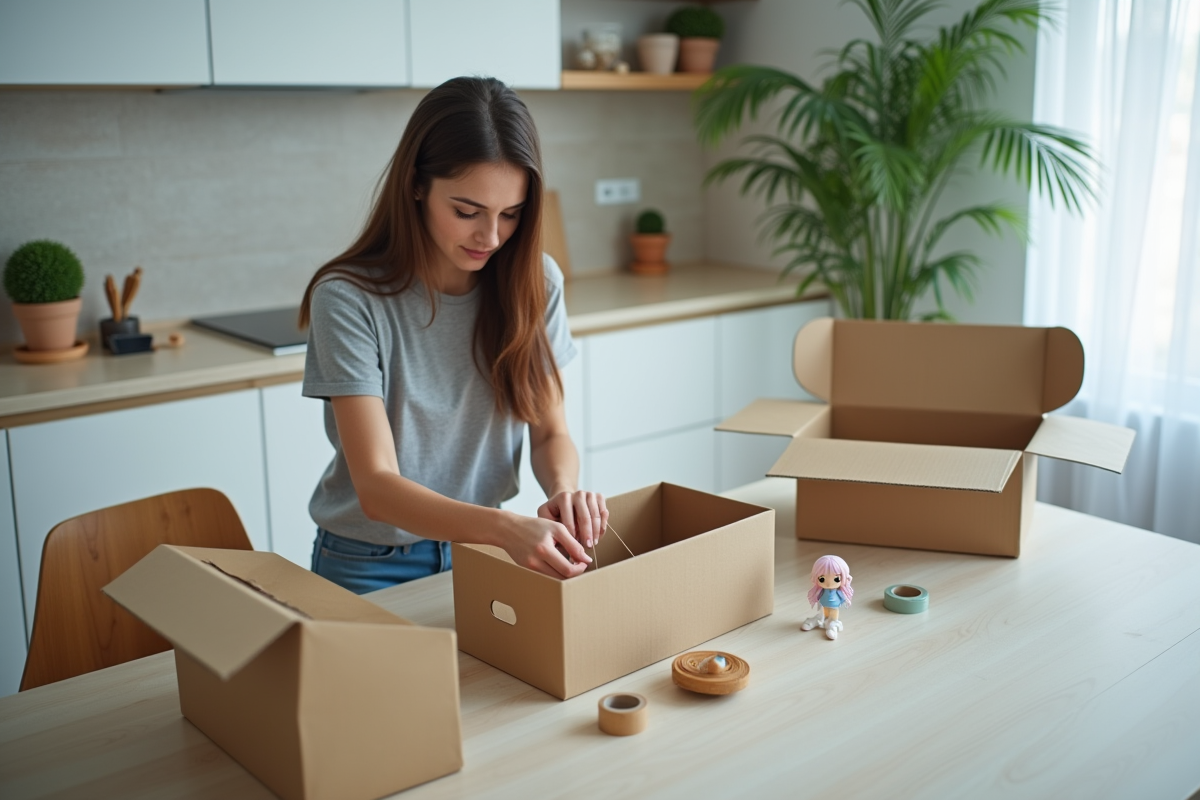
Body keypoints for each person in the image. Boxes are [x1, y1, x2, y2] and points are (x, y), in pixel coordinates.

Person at [298, 76, 608, 594]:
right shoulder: (348, 299)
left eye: (510, 214)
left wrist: (564, 490)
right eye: (467, 211)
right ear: (416, 184)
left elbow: (550, 432)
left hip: (484, 550)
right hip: (369, 562)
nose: (490, 237)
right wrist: (505, 528)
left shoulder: (536, 283)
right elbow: (377, 487)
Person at [801, 554, 853, 640]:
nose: (828, 584)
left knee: (833, 615)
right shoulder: (820, 590)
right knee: (823, 613)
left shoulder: (839, 592)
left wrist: (846, 601)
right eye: (822, 579)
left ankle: (833, 625)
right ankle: (818, 620)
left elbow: (844, 598)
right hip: (823, 604)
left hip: (834, 606)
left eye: (836, 579)